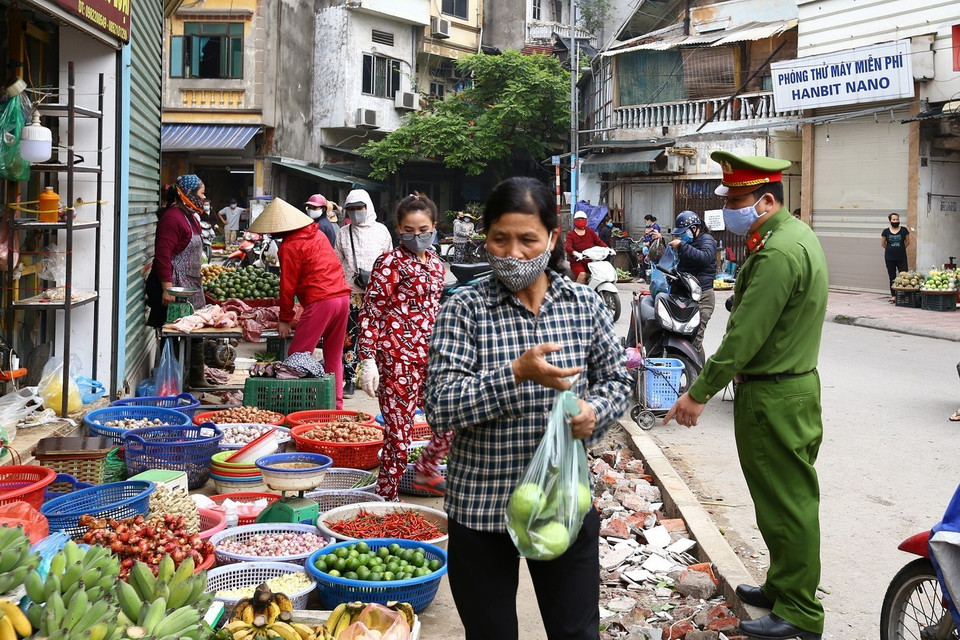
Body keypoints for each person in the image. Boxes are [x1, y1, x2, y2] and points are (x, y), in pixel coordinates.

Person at [424, 176, 631, 640]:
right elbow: (439, 405)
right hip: (482, 506)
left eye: (527, 240)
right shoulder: (464, 308)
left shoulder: (583, 304)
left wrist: (595, 412)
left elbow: (618, 380)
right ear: (485, 238)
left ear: (552, 238)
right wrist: (516, 373)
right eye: (500, 239)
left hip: (564, 502)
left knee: (576, 633)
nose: (513, 253)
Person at [664, 151, 828, 640]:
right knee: (780, 499)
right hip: (791, 387)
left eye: (737, 201)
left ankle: (799, 612)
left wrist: (699, 392)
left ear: (767, 201)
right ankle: (783, 586)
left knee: (787, 504)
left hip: (774, 394)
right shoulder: (793, 236)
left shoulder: (777, 253)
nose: (729, 209)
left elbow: (744, 337)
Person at [357, 194, 452, 500]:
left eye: (423, 230)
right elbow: (371, 312)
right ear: (398, 228)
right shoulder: (389, 263)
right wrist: (367, 359)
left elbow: (434, 309)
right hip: (396, 359)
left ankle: (426, 468)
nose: (416, 236)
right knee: (399, 438)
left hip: (432, 357)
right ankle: (386, 499)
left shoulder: (436, 264)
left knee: (452, 419)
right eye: (409, 230)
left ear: (434, 227)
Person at [248, 198, 351, 409]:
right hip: (342, 298)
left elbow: (287, 286)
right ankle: (335, 407)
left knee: (297, 357)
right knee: (333, 356)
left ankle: (298, 407)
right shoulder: (317, 234)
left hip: (321, 300)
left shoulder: (289, 246)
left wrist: (285, 318)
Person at [145, 174, 209, 386]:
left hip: (189, 285)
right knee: (171, 334)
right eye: (201, 193)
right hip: (173, 286)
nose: (204, 197)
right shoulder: (172, 218)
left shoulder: (190, 216)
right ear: (188, 194)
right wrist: (168, 288)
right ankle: (170, 382)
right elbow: (162, 255)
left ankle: (196, 378)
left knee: (196, 330)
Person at [333, 189, 393, 398]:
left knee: (379, 336)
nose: (356, 212)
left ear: (368, 207)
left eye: (360, 207)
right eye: (351, 209)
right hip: (352, 293)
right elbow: (336, 262)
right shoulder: (344, 233)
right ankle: (350, 379)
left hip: (378, 294)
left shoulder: (381, 231)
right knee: (350, 338)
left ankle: (378, 378)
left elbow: (389, 261)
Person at [667, 211, 718, 362]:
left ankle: (700, 373)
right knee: (685, 339)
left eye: (684, 232)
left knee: (695, 340)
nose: (682, 236)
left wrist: (682, 246)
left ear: (694, 228)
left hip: (703, 296)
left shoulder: (707, 240)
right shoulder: (690, 243)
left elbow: (704, 258)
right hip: (689, 295)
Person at [565, 210, 607, 284]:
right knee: (582, 274)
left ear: (586, 220)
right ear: (574, 221)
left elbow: (598, 241)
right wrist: (575, 253)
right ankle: (578, 291)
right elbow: (568, 247)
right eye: (578, 219)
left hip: (591, 261)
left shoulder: (590, 232)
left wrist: (607, 248)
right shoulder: (571, 234)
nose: (580, 220)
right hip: (577, 262)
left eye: (582, 218)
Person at [881, 212, 910, 301]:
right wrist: (891, 249)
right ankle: (894, 296)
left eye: (897, 219)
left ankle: (904, 295)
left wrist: (900, 249)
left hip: (901, 257)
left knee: (904, 276)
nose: (896, 221)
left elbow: (908, 242)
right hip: (889, 258)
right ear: (890, 221)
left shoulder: (904, 230)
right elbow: (883, 244)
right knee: (892, 277)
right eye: (894, 219)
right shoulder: (886, 231)